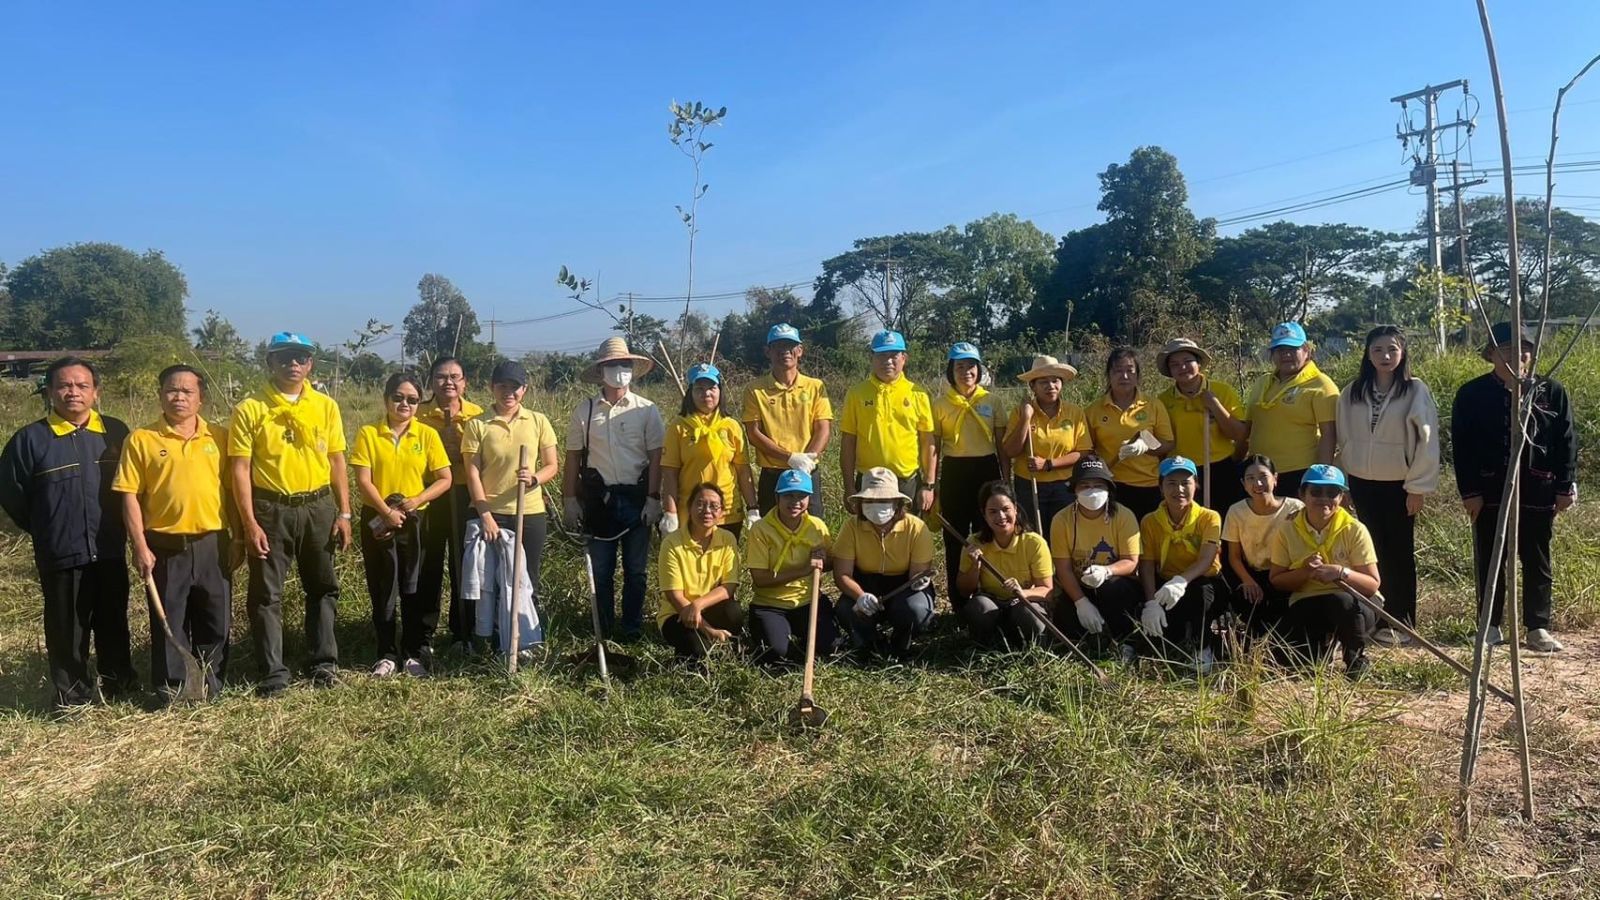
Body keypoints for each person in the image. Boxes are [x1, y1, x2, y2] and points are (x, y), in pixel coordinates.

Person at [0, 357, 134, 708]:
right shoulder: (30, 440)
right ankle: (72, 695)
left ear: (96, 392)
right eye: (64, 385)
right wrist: (47, 527)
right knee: (66, 626)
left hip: (109, 546)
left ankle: (119, 684)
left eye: (81, 385)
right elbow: (13, 495)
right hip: (60, 550)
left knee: (113, 618)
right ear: (49, 391)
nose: (72, 392)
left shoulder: (116, 433)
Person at [229, 333, 352, 696]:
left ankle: (323, 662)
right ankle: (273, 672)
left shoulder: (325, 406)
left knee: (323, 587)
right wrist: (248, 522)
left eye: (300, 357)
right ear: (270, 363)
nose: (293, 364)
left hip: (317, 507)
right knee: (267, 594)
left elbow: (336, 460)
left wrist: (344, 513)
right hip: (271, 509)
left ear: (311, 363)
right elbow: (239, 469)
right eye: (284, 358)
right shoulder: (250, 408)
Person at [1452, 322, 1578, 653]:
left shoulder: (1552, 391)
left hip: (1538, 489)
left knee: (1537, 557)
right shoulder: (1472, 394)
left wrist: (1565, 486)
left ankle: (1538, 627)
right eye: (1506, 349)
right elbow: (1462, 448)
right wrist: (1470, 492)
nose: (1516, 355)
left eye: (1523, 349)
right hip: (1489, 490)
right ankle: (1489, 625)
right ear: (1491, 354)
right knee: (1490, 558)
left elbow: (1566, 442)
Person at [112, 364, 231, 703]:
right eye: (171, 390)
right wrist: (139, 545)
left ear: (201, 398)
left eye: (186, 391)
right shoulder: (141, 439)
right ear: (160, 395)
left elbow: (232, 490)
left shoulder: (219, 437)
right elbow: (129, 496)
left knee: (215, 617)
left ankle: (210, 683)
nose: (178, 397)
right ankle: (173, 687)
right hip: (164, 545)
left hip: (212, 543)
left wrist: (236, 538)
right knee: (169, 619)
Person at [1335, 326, 1440, 646]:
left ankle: (1402, 621)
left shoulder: (1414, 390)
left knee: (1399, 553)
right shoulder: (1352, 391)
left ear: (1403, 353)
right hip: (1361, 483)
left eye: (1392, 349)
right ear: (1368, 353)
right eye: (1378, 350)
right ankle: (1372, 618)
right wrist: (1345, 484)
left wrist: (1418, 487)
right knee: (1368, 552)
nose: (1385, 356)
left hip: (1398, 485)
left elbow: (1427, 439)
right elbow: (1344, 439)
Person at [561, 337, 665, 642]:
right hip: (599, 503)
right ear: (601, 370)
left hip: (637, 500)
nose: (619, 370)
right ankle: (603, 630)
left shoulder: (647, 410)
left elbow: (658, 458)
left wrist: (654, 499)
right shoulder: (585, 411)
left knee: (636, 571)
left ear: (632, 370)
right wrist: (569, 500)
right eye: (612, 365)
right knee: (602, 571)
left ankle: (631, 629)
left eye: (624, 365)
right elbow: (572, 459)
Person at [350, 373, 453, 676]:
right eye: (398, 397)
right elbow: (363, 480)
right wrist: (385, 512)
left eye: (412, 399)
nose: (404, 404)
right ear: (386, 399)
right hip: (377, 523)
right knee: (382, 588)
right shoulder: (369, 433)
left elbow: (444, 478)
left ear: (419, 403)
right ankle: (386, 654)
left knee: (413, 587)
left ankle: (412, 653)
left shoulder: (426, 435)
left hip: (414, 522)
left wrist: (418, 499)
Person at [462, 361, 557, 655]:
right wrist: (486, 515)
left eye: (515, 387)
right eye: (502, 386)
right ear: (492, 388)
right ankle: (484, 642)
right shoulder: (478, 424)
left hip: (529, 513)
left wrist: (535, 478)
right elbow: (472, 473)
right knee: (488, 580)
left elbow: (552, 465)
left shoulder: (538, 421)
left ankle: (522, 642)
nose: (509, 392)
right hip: (490, 514)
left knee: (526, 579)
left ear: (524, 390)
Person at [1268, 464, 1379, 678]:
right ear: (1302, 494)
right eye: (1316, 492)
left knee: (1341, 602)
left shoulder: (1355, 529)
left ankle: (1356, 659)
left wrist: (1340, 572)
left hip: (1355, 602)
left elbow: (1372, 584)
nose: (1324, 499)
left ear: (1342, 497)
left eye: (1332, 492)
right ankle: (1322, 648)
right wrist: (1304, 572)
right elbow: (1277, 580)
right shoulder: (1287, 530)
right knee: (1291, 662)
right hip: (1308, 599)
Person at [416, 356, 484, 656]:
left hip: (465, 495)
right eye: (441, 377)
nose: (449, 382)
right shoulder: (418, 415)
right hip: (428, 494)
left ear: (465, 382)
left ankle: (463, 632)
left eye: (455, 376)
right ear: (431, 382)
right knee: (428, 564)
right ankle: (424, 634)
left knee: (464, 564)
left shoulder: (477, 416)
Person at [930, 342, 1008, 604]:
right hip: (954, 472)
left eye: (971, 366)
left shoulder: (992, 401)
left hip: (987, 470)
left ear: (979, 369)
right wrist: (932, 482)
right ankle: (959, 600)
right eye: (960, 366)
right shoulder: (940, 404)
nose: (966, 371)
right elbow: (934, 447)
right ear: (951, 370)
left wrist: (1005, 480)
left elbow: (1001, 445)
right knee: (956, 536)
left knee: (987, 532)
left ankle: (988, 594)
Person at [833, 467, 937, 660]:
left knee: (916, 610)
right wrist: (860, 596)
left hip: (904, 587)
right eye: (870, 501)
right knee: (846, 610)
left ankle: (901, 643)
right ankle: (872, 643)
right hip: (864, 584)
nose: (877, 506)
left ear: (897, 503)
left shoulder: (916, 528)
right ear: (861, 503)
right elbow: (842, 574)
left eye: (883, 500)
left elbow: (918, 573)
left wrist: (918, 580)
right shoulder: (850, 527)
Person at [1049, 455, 1144, 660]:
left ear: (1109, 488)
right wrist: (1080, 602)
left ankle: (1125, 642)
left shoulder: (1124, 515)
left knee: (1113, 589)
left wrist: (1107, 571)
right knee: (1066, 615)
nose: (1092, 490)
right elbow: (1063, 568)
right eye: (1085, 485)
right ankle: (1084, 644)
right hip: (1080, 584)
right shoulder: (1061, 520)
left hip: (1117, 582)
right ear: (1074, 489)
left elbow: (1131, 561)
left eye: (1098, 485)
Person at [1137, 457, 1225, 670]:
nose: (1179, 489)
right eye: (1171, 483)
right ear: (1160, 487)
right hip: (1166, 586)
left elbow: (1206, 559)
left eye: (1186, 482)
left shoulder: (1209, 517)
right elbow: (1147, 564)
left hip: (1203, 581)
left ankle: (1203, 649)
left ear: (1196, 485)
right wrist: (1151, 602)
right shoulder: (1150, 521)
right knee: (1165, 637)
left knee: (1201, 595)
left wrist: (1181, 580)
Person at [839, 330, 936, 515]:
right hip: (869, 481)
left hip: (906, 481)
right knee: (869, 537)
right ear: (872, 358)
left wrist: (928, 485)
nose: (888, 361)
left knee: (906, 537)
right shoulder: (857, 393)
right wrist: (849, 486)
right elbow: (848, 442)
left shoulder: (918, 394)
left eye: (893, 355)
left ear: (904, 358)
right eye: (881, 355)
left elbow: (928, 442)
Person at [745, 469, 835, 666]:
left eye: (801, 496)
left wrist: (824, 560)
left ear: (809, 499)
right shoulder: (761, 530)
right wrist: (803, 570)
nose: (795, 502)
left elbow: (830, 563)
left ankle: (805, 641)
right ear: (777, 497)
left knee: (831, 646)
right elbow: (760, 579)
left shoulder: (817, 526)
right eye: (788, 495)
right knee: (776, 654)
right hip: (771, 604)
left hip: (808, 600)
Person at [741, 323, 832, 516]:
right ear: (768, 351)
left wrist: (807, 460)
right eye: (778, 346)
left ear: (800, 350)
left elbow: (823, 428)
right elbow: (754, 433)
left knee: (813, 532)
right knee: (771, 536)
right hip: (773, 474)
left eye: (790, 346)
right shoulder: (754, 389)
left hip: (808, 472)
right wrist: (790, 458)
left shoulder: (815, 386)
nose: (785, 351)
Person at [1242, 322, 1339, 497]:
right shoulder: (1262, 382)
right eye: (1279, 350)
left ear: (1306, 351)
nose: (1286, 354)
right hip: (1260, 472)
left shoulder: (1321, 384)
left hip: (1299, 473)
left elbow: (1329, 434)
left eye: (1292, 349)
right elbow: (1247, 427)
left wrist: (1322, 479)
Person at [662, 363, 759, 537]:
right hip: (692, 512)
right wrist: (670, 512)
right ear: (690, 393)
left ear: (719, 391)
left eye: (711, 388)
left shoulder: (731, 426)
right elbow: (669, 473)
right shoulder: (678, 427)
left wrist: (753, 507)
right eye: (699, 388)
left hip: (727, 513)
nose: (706, 393)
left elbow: (743, 470)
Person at [956, 481, 1055, 649]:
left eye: (1006, 509)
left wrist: (1022, 593)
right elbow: (964, 590)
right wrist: (975, 567)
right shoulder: (974, 543)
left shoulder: (1034, 543)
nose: (1001, 517)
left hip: (1022, 603)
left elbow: (1047, 591)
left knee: (1028, 613)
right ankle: (989, 646)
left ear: (1015, 508)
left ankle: (1033, 648)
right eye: (993, 512)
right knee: (978, 607)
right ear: (984, 514)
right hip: (992, 603)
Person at [1156, 338, 1248, 515]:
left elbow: (1239, 435)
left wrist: (1215, 406)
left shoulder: (1222, 391)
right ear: (1170, 371)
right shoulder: (1163, 401)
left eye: (1187, 361)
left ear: (1198, 363)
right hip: (1182, 472)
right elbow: (1162, 444)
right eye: (1175, 364)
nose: (1182, 368)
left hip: (1221, 469)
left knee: (1227, 526)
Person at [1003, 354, 1088, 539]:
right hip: (1029, 485)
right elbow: (1010, 451)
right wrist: (1026, 418)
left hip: (1064, 486)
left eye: (1055, 381)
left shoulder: (1074, 412)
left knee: (1063, 536)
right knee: (1031, 536)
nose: (1051, 386)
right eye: (1043, 382)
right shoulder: (1020, 412)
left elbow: (1083, 452)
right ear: (1032, 386)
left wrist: (1048, 464)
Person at [657, 482, 743, 660]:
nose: (707, 511)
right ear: (689, 507)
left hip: (707, 608)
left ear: (721, 513)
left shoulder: (727, 539)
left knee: (733, 611)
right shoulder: (672, 543)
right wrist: (709, 630)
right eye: (700, 504)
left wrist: (698, 605)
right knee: (698, 653)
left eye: (714, 506)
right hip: (679, 613)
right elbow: (675, 596)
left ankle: (724, 644)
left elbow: (729, 587)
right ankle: (699, 646)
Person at [1221, 455, 1302, 642]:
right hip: (1253, 574)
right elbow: (1233, 556)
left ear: (1275, 478)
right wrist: (1248, 581)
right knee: (1251, 608)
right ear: (1243, 483)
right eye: (1250, 478)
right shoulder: (1236, 511)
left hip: (1285, 573)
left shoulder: (1295, 508)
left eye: (1263, 476)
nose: (1258, 483)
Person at [1087, 347, 1175, 520]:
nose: (1124, 376)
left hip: (1148, 484)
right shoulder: (1093, 411)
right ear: (1109, 375)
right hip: (1112, 485)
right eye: (1118, 371)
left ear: (1137, 375)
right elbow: (1088, 450)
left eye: (1129, 370)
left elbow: (1168, 443)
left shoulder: (1153, 405)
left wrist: (1145, 446)